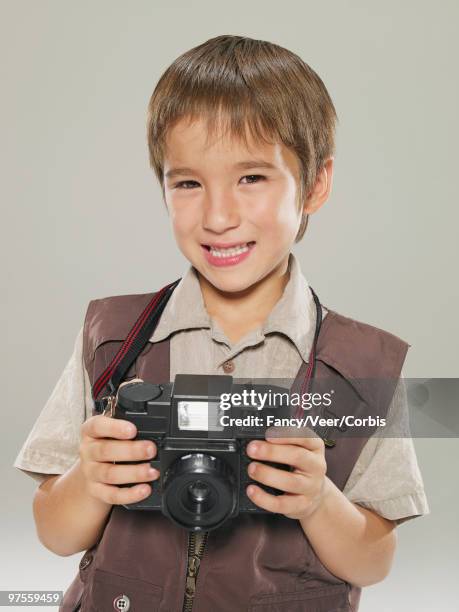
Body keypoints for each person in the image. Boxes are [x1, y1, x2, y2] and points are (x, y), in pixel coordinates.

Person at [14, 34, 429, 612]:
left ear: (315, 184)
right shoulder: (111, 339)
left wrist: (317, 502)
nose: (218, 215)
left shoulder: (364, 367)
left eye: (252, 178)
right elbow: (55, 534)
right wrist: (89, 480)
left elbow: (374, 560)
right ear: (162, 186)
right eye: (187, 182)